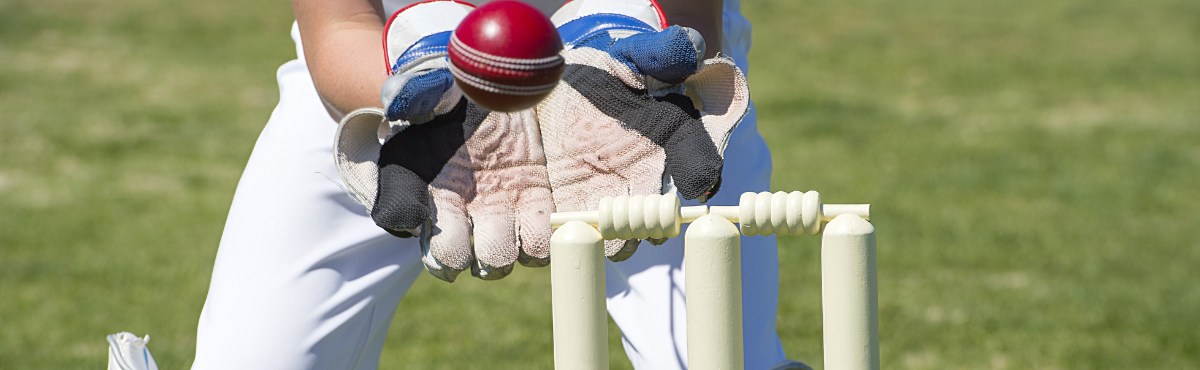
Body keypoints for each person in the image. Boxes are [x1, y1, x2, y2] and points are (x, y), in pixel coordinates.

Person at [189, 0, 805, 369]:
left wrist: (625, 60)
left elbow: (688, 16)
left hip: (635, 59)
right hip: (390, 64)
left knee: (721, 359)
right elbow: (339, 21)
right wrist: (411, 88)